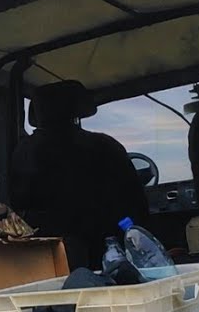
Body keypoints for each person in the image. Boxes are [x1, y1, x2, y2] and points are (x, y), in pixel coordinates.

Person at [10, 80, 149, 269]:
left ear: (37, 113)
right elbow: (135, 203)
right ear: (78, 108)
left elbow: (17, 204)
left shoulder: (22, 151)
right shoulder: (105, 146)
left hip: (42, 258)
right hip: (106, 253)